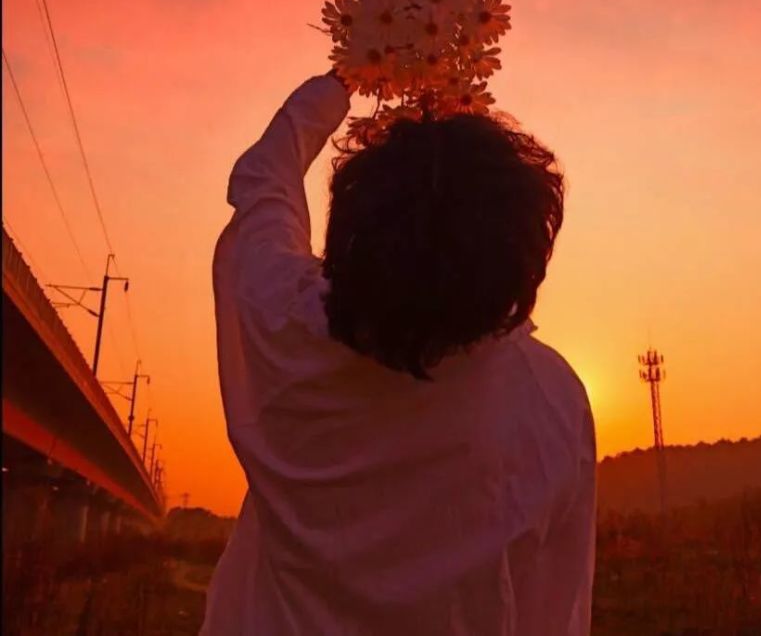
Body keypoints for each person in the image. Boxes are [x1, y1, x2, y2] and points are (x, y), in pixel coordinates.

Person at [202, 71, 596, 635]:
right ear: (520, 262)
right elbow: (555, 605)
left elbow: (265, 181)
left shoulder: (285, 329)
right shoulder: (552, 398)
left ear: (352, 231)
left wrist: (347, 75)